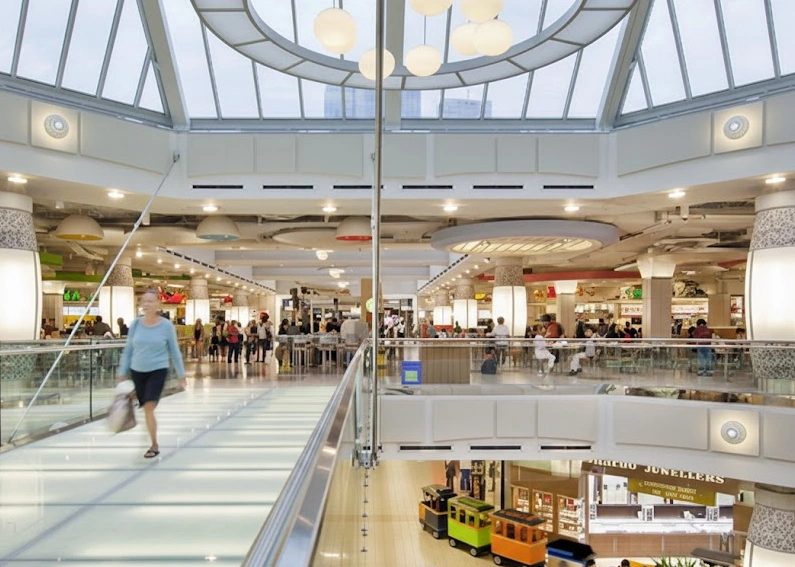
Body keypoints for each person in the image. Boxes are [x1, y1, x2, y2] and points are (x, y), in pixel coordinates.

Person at [117, 289, 186, 459]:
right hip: (137, 371)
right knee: (145, 407)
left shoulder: (166, 326)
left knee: (149, 406)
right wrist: (123, 371)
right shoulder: (135, 324)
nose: (146, 304)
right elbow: (129, 349)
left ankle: (154, 444)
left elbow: (174, 351)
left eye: (150, 301)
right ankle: (149, 433)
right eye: (144, 301)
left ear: (158, 304)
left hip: (158, 369)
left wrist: (181, 375)